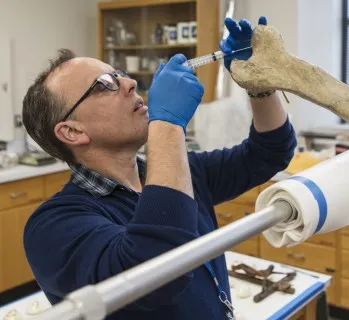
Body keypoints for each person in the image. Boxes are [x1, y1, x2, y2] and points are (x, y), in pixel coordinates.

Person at [21, 16, 296, 320]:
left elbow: (269, 152)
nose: (130, 83)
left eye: (120, 74)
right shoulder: (54, 227)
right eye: (105, 85)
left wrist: (259, 85)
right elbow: (158, 268)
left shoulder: (185, 173)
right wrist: (167, 124)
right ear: (72, 132)